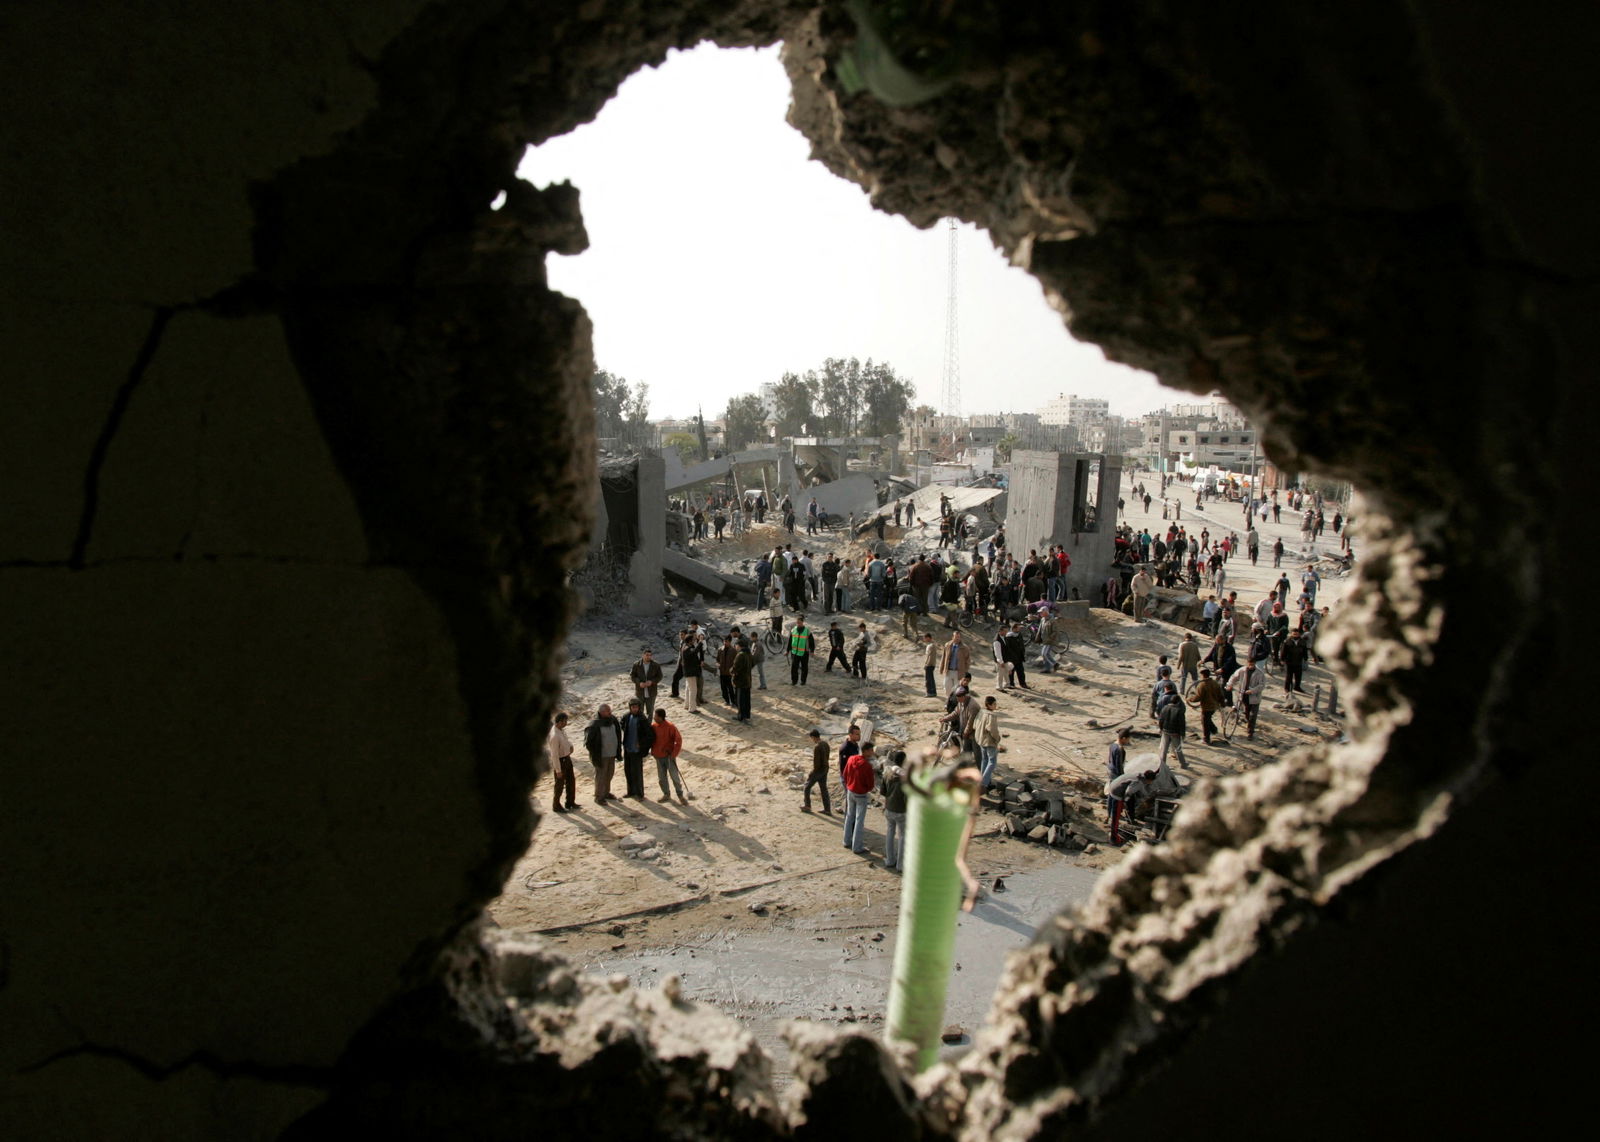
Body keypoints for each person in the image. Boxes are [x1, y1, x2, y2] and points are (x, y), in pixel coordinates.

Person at [1107, 768, 1157, 845]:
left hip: (1113, 785)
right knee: (1115, 818)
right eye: (1151, 781)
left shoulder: (1140, 775)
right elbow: (1128, 792)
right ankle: (1114, 839)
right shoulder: (1139, 782)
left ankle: (1113, 826)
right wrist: (1124, 802)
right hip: (1117, 792)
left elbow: (1141, 789)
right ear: (1149, 779)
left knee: (1116, 813)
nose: (1151, 783)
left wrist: (1146, 795)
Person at [583, 703, 622, 803]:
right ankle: (599, 796)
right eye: (608, 711)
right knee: (601, 776)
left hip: (612, 754)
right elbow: (589, 742)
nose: (610, 712)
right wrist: (596, 753)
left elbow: (618, 733)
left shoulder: (613, 720)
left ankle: (606, 792)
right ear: (601, 712)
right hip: (601, 756)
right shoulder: (594, 724)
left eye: (610, 710)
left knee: (609, 774)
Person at [842, 742, 876, 855]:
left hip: (850, 791)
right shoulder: (866, 766)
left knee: (849, 816)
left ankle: (846, 841)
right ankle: (857, 847)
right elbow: (870, 783)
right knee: (859, 820)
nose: (872, 752)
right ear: (866, 751)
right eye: (871, 750)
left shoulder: (852, 759)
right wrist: (866, 789)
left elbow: (845, 773)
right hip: (860, 794)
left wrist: (849, 784)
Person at [649, 709, 686, 804]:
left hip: (669, 756)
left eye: (656, 716)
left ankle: (680, 795)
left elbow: (678, 740)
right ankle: (666, 794)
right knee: (661, 777)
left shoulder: (670, 727)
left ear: (660, 717)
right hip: (658, 755)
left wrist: (674, 754)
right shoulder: (653, 726)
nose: (654, 717)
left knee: (674, 777)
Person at [619, 699, 654, 799]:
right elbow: (622, 724)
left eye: (636, 707)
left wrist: (642, 744)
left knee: (637, 772)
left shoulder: (643, 719)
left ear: (639, 708)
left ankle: (639, 793)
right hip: (628, 748)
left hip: (637, 750)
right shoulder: (626, 716)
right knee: (628, 771)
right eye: (633, 707)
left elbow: (650, 735)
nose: (634, 709)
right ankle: (630, 792)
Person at [880, 752, 908, 871]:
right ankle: (900, 865)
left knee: (890, 834)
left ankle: (890, 860)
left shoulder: (887, 773)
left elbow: (883, 791)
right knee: (902, 837)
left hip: (889, 808)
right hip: (901, 811)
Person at [1227, 659, 1266, 738]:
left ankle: (1250, 732)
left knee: (1253, 715)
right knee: (1247, 713)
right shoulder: (1242, 670)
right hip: (1243, 695)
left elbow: (1262, 685)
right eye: (1249, 663)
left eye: (1252, 664)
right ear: (1247, 663)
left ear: (1255, 663)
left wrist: (1252, 691)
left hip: (1254, 698)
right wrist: (1230, 684)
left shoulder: (1260, 673)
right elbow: (1233, 677)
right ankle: (1248, 723)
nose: (1250, 665)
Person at [547, 712, 576, 813]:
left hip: (566, 758)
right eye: (564, 721)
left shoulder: (561, 731)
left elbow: (566, 741)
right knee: (559, 785)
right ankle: (556, 805)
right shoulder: (554, 735)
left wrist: (570, 746)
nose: (566, 723)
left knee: (571, 781)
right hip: (560, 761)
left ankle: (570, 802)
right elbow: (554, 755)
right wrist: (558, 770)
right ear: (559, 722)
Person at [1187, 666, 1226, 744]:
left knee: (1204, 721)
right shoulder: (1215, 683)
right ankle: (1214, 730)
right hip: (1215, 706)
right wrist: (1222, 704)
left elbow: (1198, 697)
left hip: (1206, 707)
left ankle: (1206, 738)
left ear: (1202, 675)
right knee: (1208, 718)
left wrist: (1189, 699)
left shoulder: (1202, 685)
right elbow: (1221, 695)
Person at [972, 694, 1001, 792]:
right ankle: (983, 783)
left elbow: (975, 725)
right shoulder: (991, 716)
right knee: (992, 762)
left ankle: (983, 780)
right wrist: (997, 739)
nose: (995, 705)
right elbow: (992, 730)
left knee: (984, 760)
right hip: (989, 742)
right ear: (989, 705)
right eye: (994, 704)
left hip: (980, 740)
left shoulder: (981, 712)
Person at [1158, 686, 1190, 770]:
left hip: (1165, 731)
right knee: (1178, 749)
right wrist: (1182, 734)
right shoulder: (1179, 710)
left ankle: (1162, 765)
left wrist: (1161, 729)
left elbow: (1161, 720)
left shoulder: (1165, 708)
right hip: (1175, 733)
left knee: (1164, 750)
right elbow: (1182, 723)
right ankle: (1183, 764)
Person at [802, 728, 832, 814]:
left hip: (819, 770)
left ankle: (807, 806)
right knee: (824, 789)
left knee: (807, 787)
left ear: (813, 737)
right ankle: (827, 809)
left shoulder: (817, 746)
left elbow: (817, 763)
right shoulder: (825, 744)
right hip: (825, 769)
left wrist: (812, 772)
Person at [678, 636, 703, 714]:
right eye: (693, 640)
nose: (694, 641)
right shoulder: (687, 648)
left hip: (688, 671)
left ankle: (687, 705)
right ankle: (692, 708)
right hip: (690, 672)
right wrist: (700, 643)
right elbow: (694, 652)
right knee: (693, 690)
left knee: (688, 689)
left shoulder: (685, 646)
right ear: (689, 641)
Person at [940, 632, 970, 697]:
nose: (957, 639)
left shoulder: (964, 648)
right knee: (947, 687)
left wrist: (965, 672)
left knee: (957, 689)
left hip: (958, 672)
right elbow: (944, 657)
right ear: (952, 637)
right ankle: (949, 701)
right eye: (956, 637)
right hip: (949, 671)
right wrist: (941, 668)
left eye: (958, 637)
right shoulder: (947, 645)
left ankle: (956, 703)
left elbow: (967, 661)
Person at [731, 638, 754, 721]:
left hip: (740, 681)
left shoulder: (740, 655)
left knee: (740, 700)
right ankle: (746, 715)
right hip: (748, 680)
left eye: (736, 645)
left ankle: (741, 716)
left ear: (739, 646)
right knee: (747, 699)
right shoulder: (749, 653)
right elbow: (753, 664)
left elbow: (735, 668)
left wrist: (732, 671)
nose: (735, 647)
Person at [788, 619, 815, 685]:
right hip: (794, 652)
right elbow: (790, 641)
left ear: (802, 622)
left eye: (799, 623)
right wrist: (787, 650)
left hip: (804, 652)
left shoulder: (807, 631)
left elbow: (811, 641)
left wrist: (812, 650)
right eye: (797, 623)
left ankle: (803, 681)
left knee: (804, 667)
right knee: (794, 668)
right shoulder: (793, 630)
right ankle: (794, 681)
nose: (798, 624)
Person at [1281, 629, 1307, 694]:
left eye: (1297, 634)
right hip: (1289, 661)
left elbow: (1305, 650)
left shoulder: (1302, 642)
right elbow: (1283, 651)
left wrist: (1305, 658)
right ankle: (1287, 688)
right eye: (1294, 634)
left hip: (1298, 661)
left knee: (1298, 676)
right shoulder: (1287, 641)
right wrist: (1282, 660)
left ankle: (1297, 687)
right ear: (1291, 634)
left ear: (1299, 634)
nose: (1295, 635)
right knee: (1289, 676)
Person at [715, 634, 737, 707]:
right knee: (723, 688)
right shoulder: (720, 650)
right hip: (722, 672)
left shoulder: (733, 651)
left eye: (726, 641)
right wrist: (717, 664)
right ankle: (726, 700)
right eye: (724, 641)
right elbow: (717, 660)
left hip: (730, 673)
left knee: (730, 688)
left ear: (730, 642)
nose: (725, 643)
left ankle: (733, 702)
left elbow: (736, 662)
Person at [992, 625, 1015, 690]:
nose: (1006, 632)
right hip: (1000, 660)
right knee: (1000, 674)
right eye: (1005, 631)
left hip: (1005, 659)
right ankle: (999, 686)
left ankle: (1007, 684)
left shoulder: (1004, 638)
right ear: (1000, 631)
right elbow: (997, 653)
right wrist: (1000, 661)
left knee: (1006, 672)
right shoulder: (997, 641)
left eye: (1006, 631)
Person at [921, 632, 939, 697]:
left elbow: (930, 656)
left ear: (928, 638)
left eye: (925, 638)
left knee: (928, 679)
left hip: (930, 665)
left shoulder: (931, 646)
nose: (924, 639)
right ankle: (933, 692)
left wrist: (927, 664)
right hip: (931, 664)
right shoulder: (931, 645)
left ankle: (930, 692)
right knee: (931, 678)